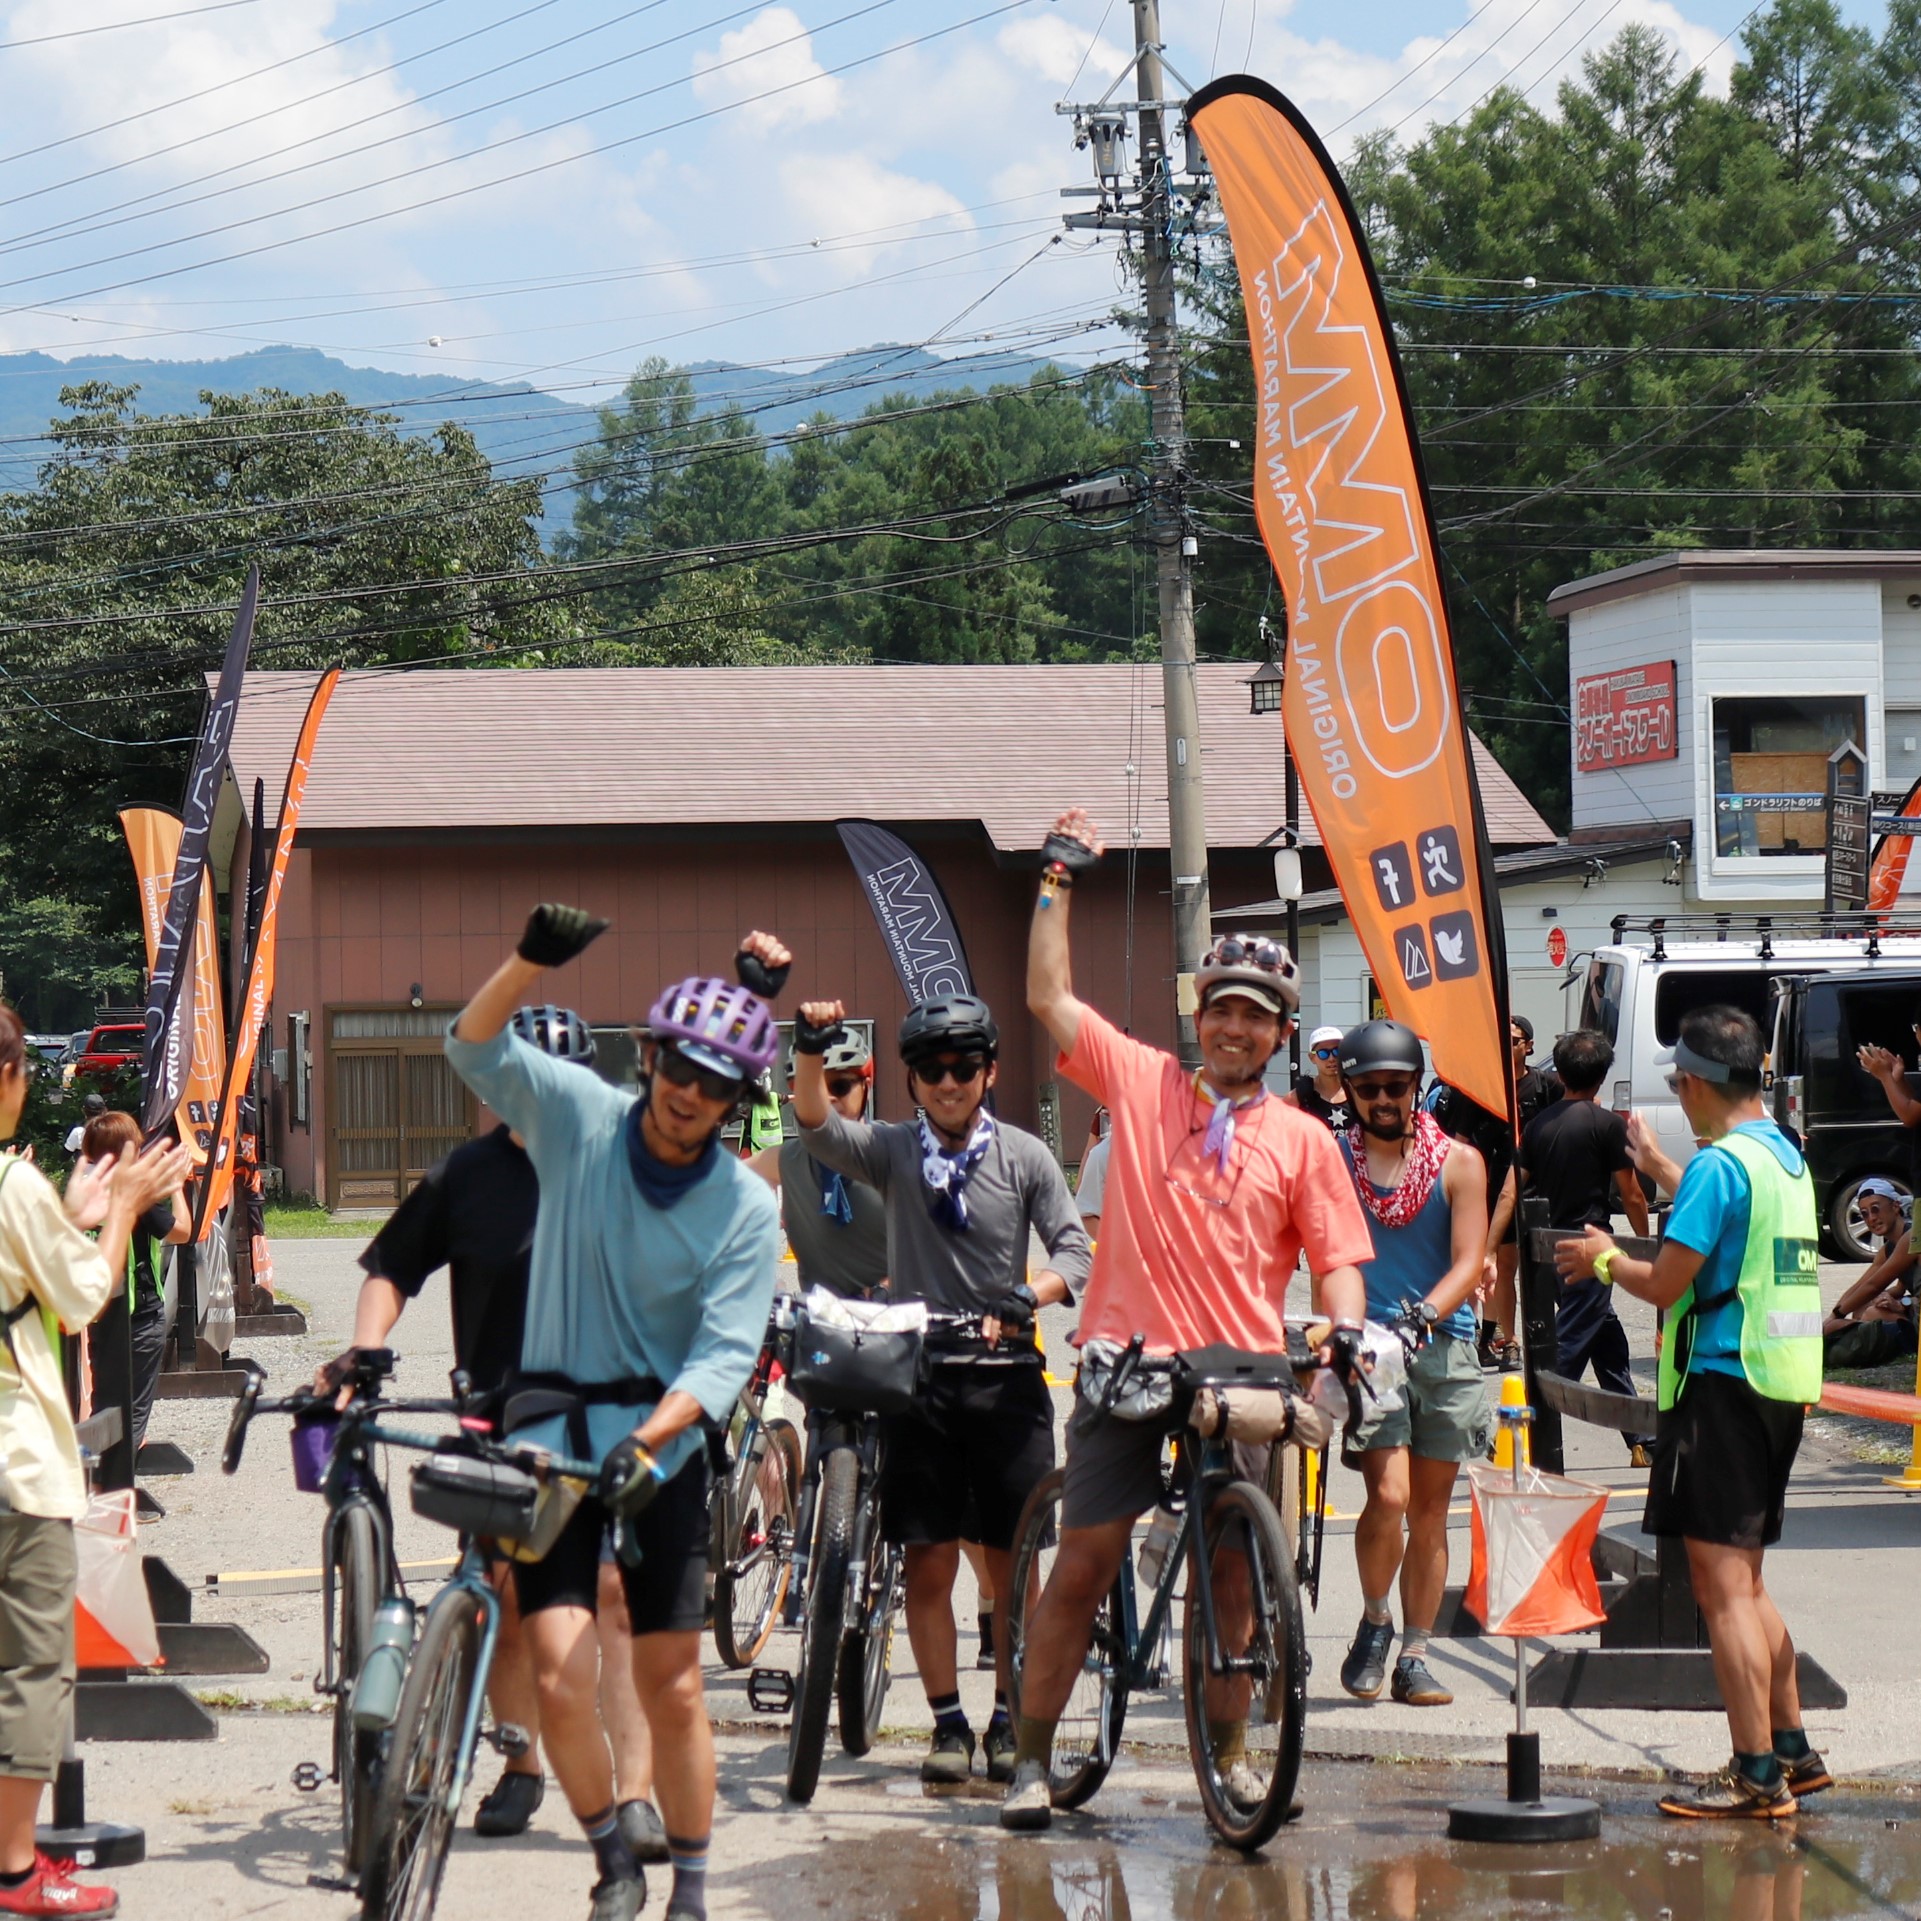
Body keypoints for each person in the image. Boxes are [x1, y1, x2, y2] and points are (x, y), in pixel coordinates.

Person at [1007, 807, 1373, 1832]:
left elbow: (1339, 1262)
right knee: (1084, 1564)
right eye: (1222, 1010)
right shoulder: (1140, 1081)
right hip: (1129, 1361)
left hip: (1243, 1374)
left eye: (1256, 1016)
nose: (1235, 1029)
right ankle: (1028, 1759)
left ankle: (1233, 1760)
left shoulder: (1303, 1139)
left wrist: (1344, 1333)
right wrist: (1056, 880)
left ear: (1282, 1033)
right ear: (1198, 1014)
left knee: (1234, 1576)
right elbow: (1046, 995)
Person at [444, 908, 784, 1921]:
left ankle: (692, 1888)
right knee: (556, 1673)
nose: (688, 1092)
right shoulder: (580, 1118)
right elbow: (471, 1046)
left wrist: (655, 1437)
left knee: (672, 1681)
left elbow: (723, 1353)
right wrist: (527, 962)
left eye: (714, 1084)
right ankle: (610, 1857)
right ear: (646, 1056)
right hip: (550, 1435)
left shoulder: (744, 1208)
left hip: (660, 1450)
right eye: (677, 1066)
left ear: (736, 1100)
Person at [319, 1005, 664, 1861]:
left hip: (604, 1421)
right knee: (508, 1596)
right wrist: (365, 1348)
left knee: (615, 1599)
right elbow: (391, 1269)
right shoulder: (465, 1175)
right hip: (497, 1420)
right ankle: (520, 1763)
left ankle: (635, 1793)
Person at [791, 984, 1088, 1790]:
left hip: (1006, 1381)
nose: (948, 1082)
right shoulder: (892, 1148)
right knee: (926, 1562)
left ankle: (1009, 1719)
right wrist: (810, 1048)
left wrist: (1029, 1293)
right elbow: (815, 1124)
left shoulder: (1023, 1155)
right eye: (931, 1069)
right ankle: (947, 1722)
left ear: (989, 1072)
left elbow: (1073, 1250)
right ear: (911, 1080)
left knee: (1011, 1566)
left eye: (963, 1066)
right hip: (919, 1380)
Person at [1555, 1005, 1826, 1819]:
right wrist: (1660, 1167)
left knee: (1721, 1591)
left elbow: (1666, 1281)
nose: (1675, 1090)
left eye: (1677, 1079)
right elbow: (1727, 1222)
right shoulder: (1781, 1155)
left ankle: (1754, 1773)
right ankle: (1789, 1749)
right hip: (1775, 1383)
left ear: (1699, 1082)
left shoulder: (1718, 1166)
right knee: (1746, 1581)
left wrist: (1603, 1257)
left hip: (1718, 1387)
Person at [0, 1002, 191, 1919]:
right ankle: (16, 1867)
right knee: (33, 1670)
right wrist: (117, 1209)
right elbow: (80, 1297)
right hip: (16, 1469)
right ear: (9, 1078)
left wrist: (71, 1214)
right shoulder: (11, 1185)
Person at [1337, 1019, 1492, 1711]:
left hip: (1444, 1344)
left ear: (1415, 1087)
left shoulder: (1459, 1163)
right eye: (1368, 1087)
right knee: (1390, 1496)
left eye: (1395, 1086)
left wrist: (1423, 1315)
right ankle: (1376, 1620)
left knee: (1430, 1511)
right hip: (1371, 1350)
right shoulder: (1333, 1163)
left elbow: (1468, 1261)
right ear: (1348, 1090)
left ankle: (1415, 1654)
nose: (1382, 1099)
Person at [1520, 1029, 1653, 1465]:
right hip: (1591, 1247)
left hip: (1549, 1248)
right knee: (1571, 1344)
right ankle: (1529, 1420)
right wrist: (1643, 1244)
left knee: (1608, 1342)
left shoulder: (1538, 1125)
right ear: (1603, 1075)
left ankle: (1641, 1438)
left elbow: (1513, 1187)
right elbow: (1631, 1194)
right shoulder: (1607, 1125)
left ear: (1559, 1073)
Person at [78, 1111, 189, 1493]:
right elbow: (183, 1231)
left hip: (95, 1314)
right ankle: (114, 1495)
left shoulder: (83, 1190)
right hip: (138, 1314)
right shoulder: (135, 1195)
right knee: (132, 1411)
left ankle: (92, 1486)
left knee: (103, 1407)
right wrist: (177, 1188)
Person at [746, 1029, 887, 1301]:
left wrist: (888, 1287)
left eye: (840, 1086)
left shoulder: (894, 1150)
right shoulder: (790, 1159)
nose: (828, 1098)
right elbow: (714, 1185)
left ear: (866, 1085)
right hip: (817, 1319)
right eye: (813, 1088)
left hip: (896, 1316)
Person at [1822, 1179, 1916, 1369]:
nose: (1871, 1218)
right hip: (1912, 1308)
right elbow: (1863, 1286)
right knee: (1862, 1307)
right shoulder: (1887, 1250)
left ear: (1895, 1206)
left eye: (1876, 1209)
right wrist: (1835, 1314)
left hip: (1916, 1311)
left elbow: (1874, 1285)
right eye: (1864, 1213)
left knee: (1870, 1312)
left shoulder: (1911, 1238)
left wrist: (1836, 1315)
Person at [1284, 1024, 1352, 1132]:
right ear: (1312, 1058)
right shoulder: (1297, 1098)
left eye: (1336, 1051)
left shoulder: (1358, 1092)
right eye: (1323, 1053)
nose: (1331, 1058)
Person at [61, 1093, 103, 1161]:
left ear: (83, 1110)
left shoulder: (78, 1131)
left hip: (84, 1167)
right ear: (104, 1110)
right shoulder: (111, 1129)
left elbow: (65, 1156)